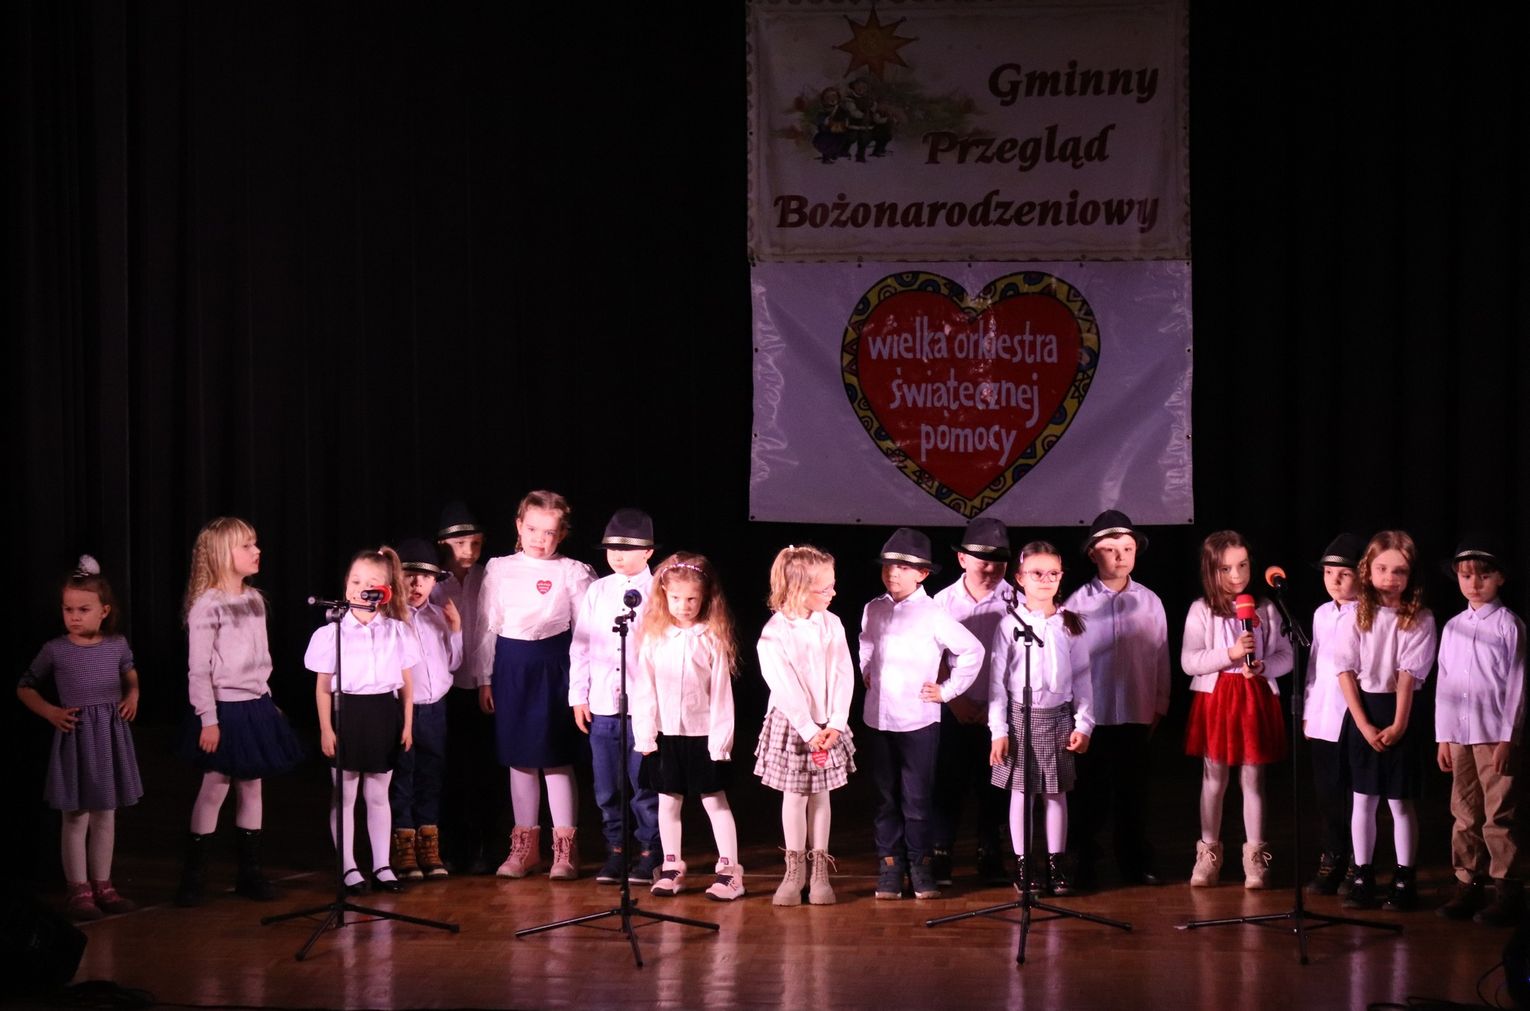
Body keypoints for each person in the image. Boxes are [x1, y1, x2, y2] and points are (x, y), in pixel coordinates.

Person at [175, 517, 302, 907]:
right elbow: (199, 669)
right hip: (223, 710)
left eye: (255, 543)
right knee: (215, 787)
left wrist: (266, 697)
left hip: (254, 705)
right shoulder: (208, 606)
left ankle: (250, 873)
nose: (256, 550)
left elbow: (260, 659)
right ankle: (194, 877)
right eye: (246, 545)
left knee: (252, 786)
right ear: (222, 554)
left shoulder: (254, 600)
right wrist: (208, 719)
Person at [476, 490, 596, 880]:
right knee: (520, 757)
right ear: (518, 526)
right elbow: (486, 626)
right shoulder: (500, 568)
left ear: (562, 534)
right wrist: (485, 677)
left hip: (554, 667)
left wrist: (582, 687)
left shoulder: (573, 572)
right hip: (512, 667)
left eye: (549, 532)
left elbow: (586, 633)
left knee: (555, 756)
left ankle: (565, 848)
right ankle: (525, 847)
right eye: (532, 529)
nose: (539, 539)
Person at [860, 528, 983, 900]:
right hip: (878, 718)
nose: (893, 573)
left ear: (923, 574)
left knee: (916, 799)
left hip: (918, 721)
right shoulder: (874, 607)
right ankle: (889, 864)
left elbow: (972, 651)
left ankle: (920, 864)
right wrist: (866, 669)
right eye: (888, 566)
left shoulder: (933, 614)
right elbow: (866, 643)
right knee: (885, 798)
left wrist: (947, 691)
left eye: (903, 567)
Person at [18, 556, 143, 921]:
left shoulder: (116, 645)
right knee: (75, 816)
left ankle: (103, 884)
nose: (74, 616)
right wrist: (51, 712)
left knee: (105, 813)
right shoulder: (55, 649)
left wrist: (133, 695)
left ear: (104, 611)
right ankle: (79, 890)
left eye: (83, 609)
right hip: (76, 738)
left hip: (109, 736)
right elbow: (25, 686)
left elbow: (130, 673)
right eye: (68, 609)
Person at [1064, 509, 1170, 889]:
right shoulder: (1077, 603)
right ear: (1093, 554)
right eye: (1111, 549)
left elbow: (1160, 654)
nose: (1121, 556)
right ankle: (1084, 860)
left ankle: (1135, 860)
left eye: (1127, 548)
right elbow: (1068, 661)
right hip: (1093, 716)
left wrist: (1159, 704)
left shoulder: (1150, 601)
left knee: (1133, 792)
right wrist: (1075, 714)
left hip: (1137, 711)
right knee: (1089, 793)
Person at [1182, 531, 1292, 889]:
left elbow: (1286, 655)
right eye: (1226, 568)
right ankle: (1208, 854)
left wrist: (1263, 667)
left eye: (1242, 565)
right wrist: (1229, 654)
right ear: (1211, 570)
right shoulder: (1202, 609)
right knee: (1214, 779)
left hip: (1253, 695)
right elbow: (1189, 660)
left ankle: (1255, 857)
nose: (1236, 575)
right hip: (1216, 697)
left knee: (1253, 779)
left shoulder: (1266, 608)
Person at [305, 546, 417, 895]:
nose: (360, 589)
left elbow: (407, 686)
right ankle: (348, 866)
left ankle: (382, 865)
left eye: (370, 583)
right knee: (345, 794)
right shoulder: (332, 633)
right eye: (355, 581)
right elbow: (323, 688)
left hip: (383, 713)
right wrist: (326, 728)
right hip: (347, 714)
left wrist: (407, 724)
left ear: (386, 590)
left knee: (379, 795)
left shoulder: (397, 631)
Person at [631, 553, 743, 900]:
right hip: (665, 735)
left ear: (705, 597)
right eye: (677, 598)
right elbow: (644, 688)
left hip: (703, 735)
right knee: (668, 802)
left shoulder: (711, 637)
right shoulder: (655, 636)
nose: (684, 605)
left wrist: (720, 742)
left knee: (714, 801)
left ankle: (730, 871)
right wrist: (645, 734)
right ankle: (672, 866)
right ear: (664, 595)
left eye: (692, 598)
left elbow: (721, 693)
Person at [1335, 530, 1437, 911]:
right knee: (1363, 799)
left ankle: (1404, 877)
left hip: (1400, 712)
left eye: (1399, 571)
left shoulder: (1419, 618)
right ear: (1368, 570)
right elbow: (1345, 672)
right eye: (1382, 569)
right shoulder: (1355, 614)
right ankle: (1362, 874)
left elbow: (1408, 676)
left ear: (1411, 575)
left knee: (1399, 802)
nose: (1390, 578)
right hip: (1365, 710)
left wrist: (1398, 726)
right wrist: (1363, 725)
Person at [988, 541, 1092, 895]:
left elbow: (1083, 677)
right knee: (1022, 792)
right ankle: (1023, 863)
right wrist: (998, 730)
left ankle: (1055, 863)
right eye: (1037, 573)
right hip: (1020, 717)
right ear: (1020, 578)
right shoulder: (1009, 625)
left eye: (1053, 574)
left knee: (1055, 792)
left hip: (1058, 717)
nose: (1046, 580)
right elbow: (997, 683)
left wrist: (1084, 723)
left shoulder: (1070, 623)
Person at [755, 544, 856, 906]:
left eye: (832, 585)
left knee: (821, 796)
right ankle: (794, 871)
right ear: (798, 588)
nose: (833, 593)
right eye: (824, 588)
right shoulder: (774, 633)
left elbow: (843, 673)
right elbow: (784, 686)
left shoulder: (832, 623)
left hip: (828, 722)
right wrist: (809, 730)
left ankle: (819, 872)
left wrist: (836, 722)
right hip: (795, 724)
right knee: (795, 797)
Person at [1435, 535, 1524, 924]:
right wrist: (1443, 735)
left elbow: (1517, 685)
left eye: (1483, 575)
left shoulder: (1509, 625)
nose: (1474, 583)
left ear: (1499, 578)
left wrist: (1509, 737)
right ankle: (1467, 883)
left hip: (1493, 735)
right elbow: (1445, 682)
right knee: (1464, 811)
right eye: (1466, 575)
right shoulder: (1453, 627)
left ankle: (1507, 888)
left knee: (1498, 813)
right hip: (1460, 735)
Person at [570, 508, 661, 886]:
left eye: (627, 549)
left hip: (644, 707)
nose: (618, 556)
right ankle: (616, 850)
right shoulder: (598, 590)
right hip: (604, 705)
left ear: (648, 551)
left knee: (644, 786)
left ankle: (650, 852)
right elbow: (581, 645)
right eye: (612, 549)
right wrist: (579, 695)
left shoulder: (660, 590)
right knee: (607, 787)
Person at [931, 517, 1015, 886]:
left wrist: (994, 709)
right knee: (947, 783)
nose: (992, 569)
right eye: (983, 560)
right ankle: (941, 853)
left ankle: (990, 852)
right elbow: (932, 656)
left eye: (999, 561)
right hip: (954, 707)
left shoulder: (1018, 600)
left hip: (999, 710)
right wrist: (955, 700)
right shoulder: (941, 602)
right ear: (962, 559)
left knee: (995, 784)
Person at [433, 501, 500, 874]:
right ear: (443, 544)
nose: (469, 552)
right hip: (446, 687)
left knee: (485, 769)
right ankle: (451, 846)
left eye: (475, 544)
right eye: (460, 544)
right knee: (451, 769)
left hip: (482, 685)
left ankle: (486, 846)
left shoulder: (488, 577)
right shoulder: (433, 583)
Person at [390, 538, 461, 880]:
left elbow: (453, 663)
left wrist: (456, 630)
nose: (417, 584)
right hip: (402, 710)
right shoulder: (390, 619)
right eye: (409, 576)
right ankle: (403, 845)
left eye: (427, 577)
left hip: (435, 709)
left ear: (435, 582)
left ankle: (428, 843)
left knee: (431, 776)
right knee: (403, 777)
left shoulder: (437, 616)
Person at [1302, 533, 1364, 896]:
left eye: (1343, 574)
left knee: (1357, 794)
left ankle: (1359, 860)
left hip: (1354, 715)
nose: (1334, 581)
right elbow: (1314, 665)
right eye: (1328, 573)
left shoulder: (1369, 613)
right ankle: (1332, 857)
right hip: (1323, 715)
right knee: (1328, 793)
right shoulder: (1322, 614)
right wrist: (1308, 709)